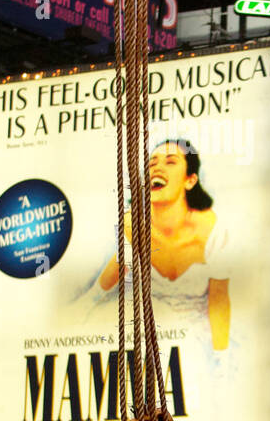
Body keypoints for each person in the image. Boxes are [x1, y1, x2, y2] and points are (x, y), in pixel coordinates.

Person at [98, 139, 230, 352]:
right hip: (145, 343)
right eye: (151, 163)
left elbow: (219, 302)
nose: (157, 167)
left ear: (190, 180)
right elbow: (103, 287)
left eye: (170, 162)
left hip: (195, 346)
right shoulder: (132, 226)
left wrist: (220, 358)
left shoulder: (213, 229)